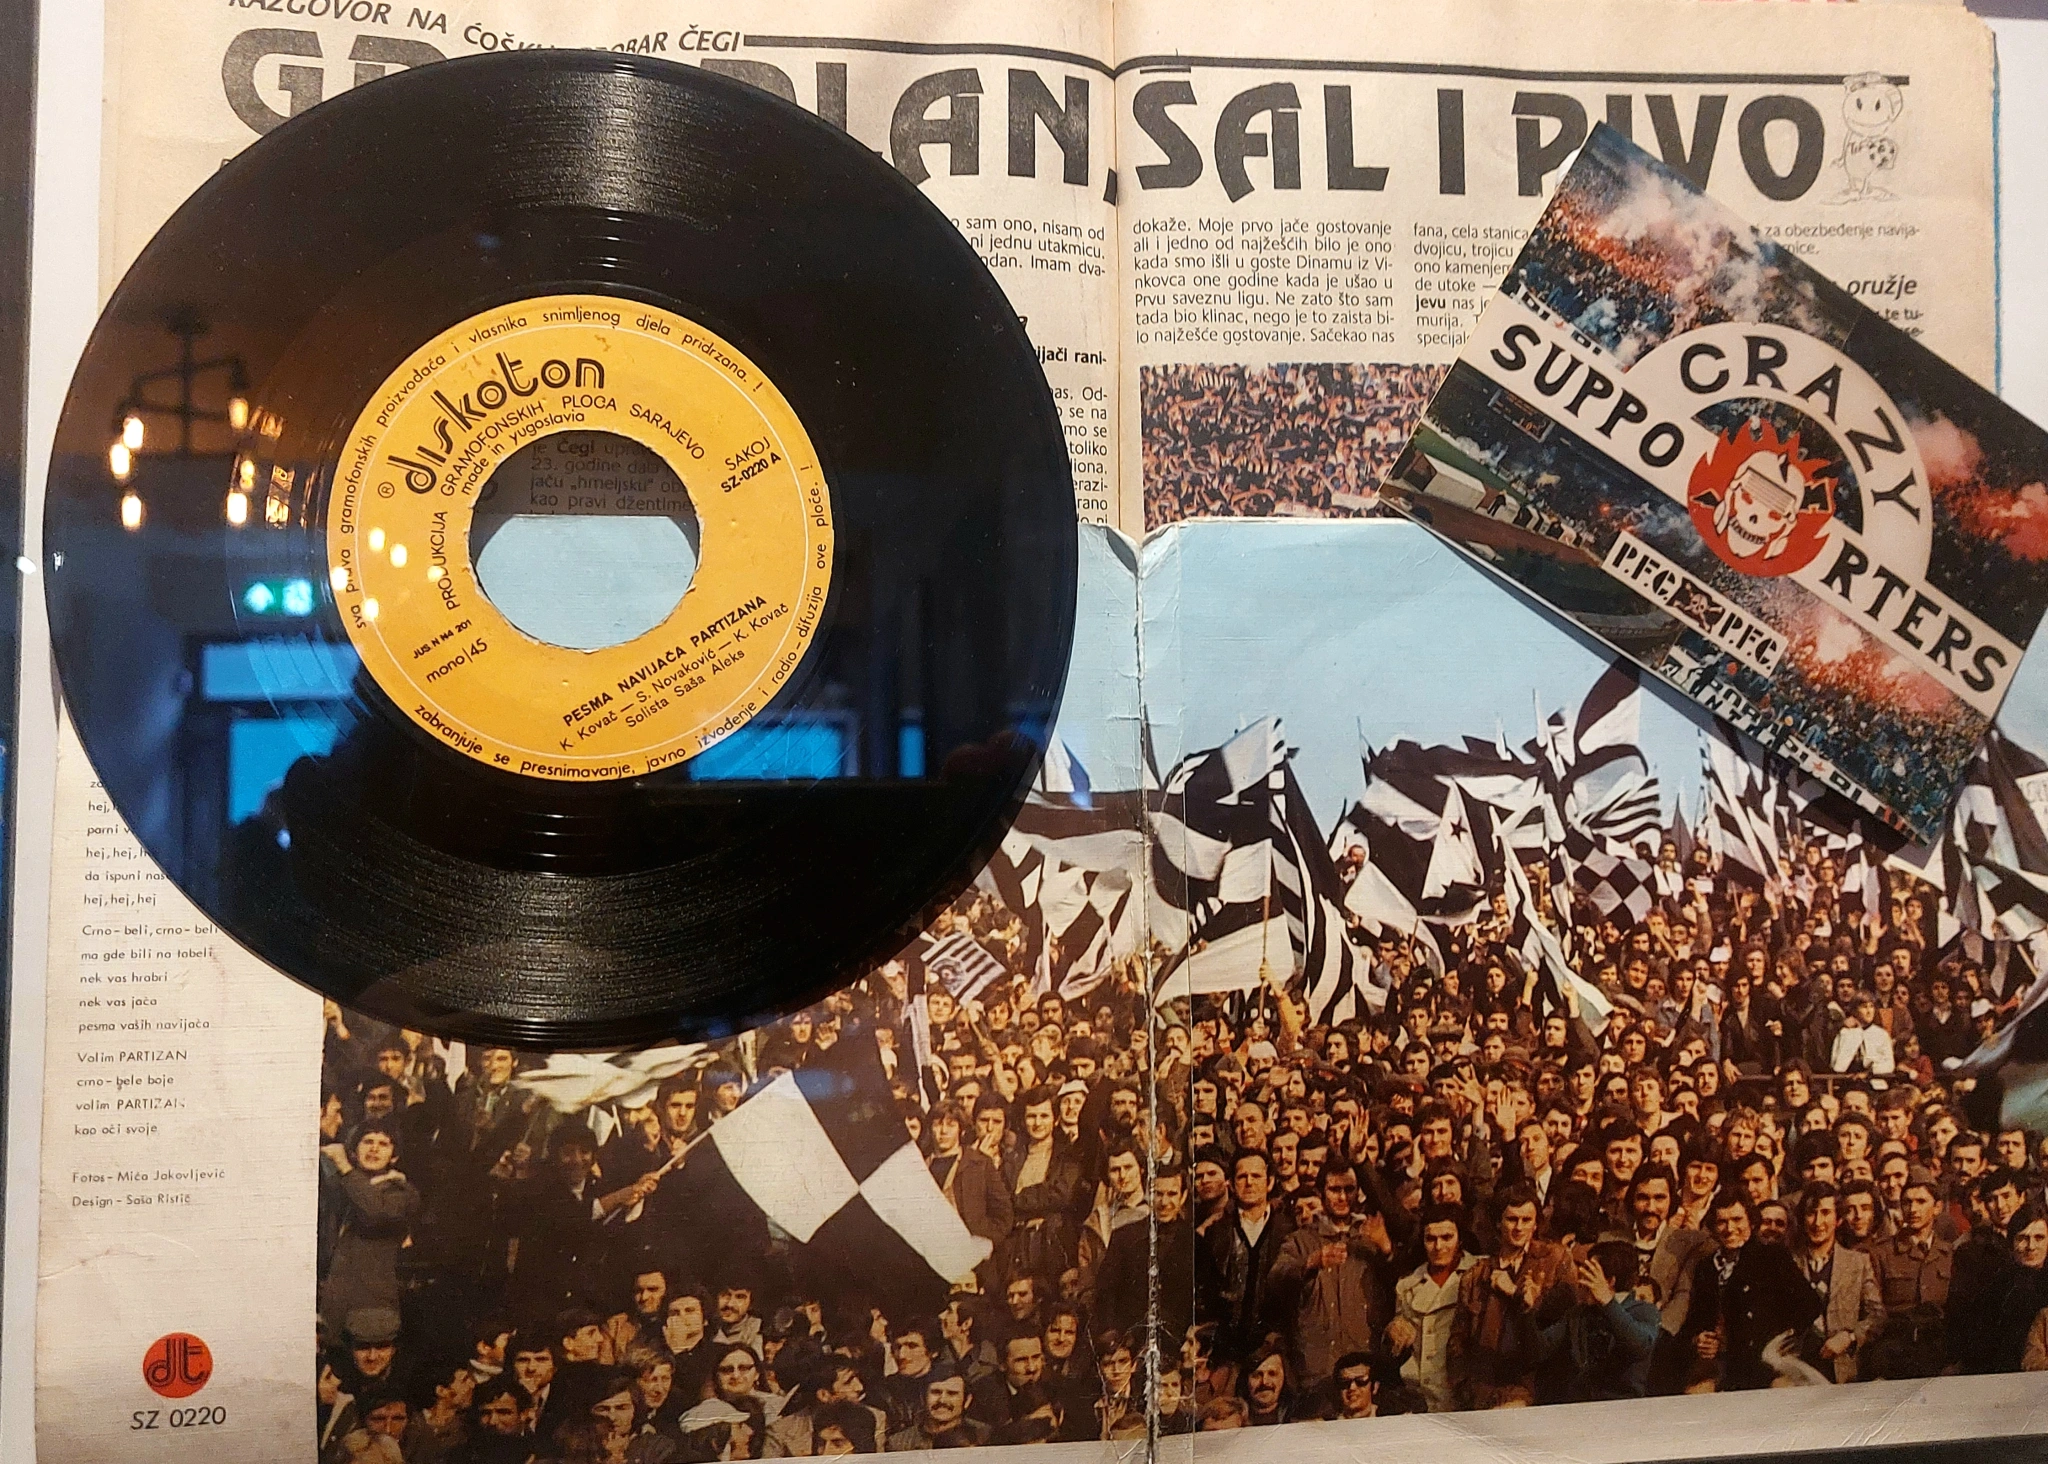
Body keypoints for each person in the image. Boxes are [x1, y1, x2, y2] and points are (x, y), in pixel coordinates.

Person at [1676, 1193, 1822, 1392]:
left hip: (1766, 1361)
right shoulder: (1707, 1266)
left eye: (1737, 1220)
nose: (1730, 1229)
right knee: (1696, 1392)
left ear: (1751, 1222)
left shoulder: (1772, 1256)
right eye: (1722, 1222)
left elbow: (1811, 1305)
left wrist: (1779, 1338)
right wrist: (1699, 1339)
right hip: (1723, 1363)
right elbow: (1696, 1319)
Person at [1270, 1163, 1397, 1390]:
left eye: (1349, 1189)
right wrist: (1311, 1262)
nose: (1342, 1197)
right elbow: (1276, 1278)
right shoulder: (1301, 1239)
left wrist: (1386, 1249)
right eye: (1335, 1190)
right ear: (1321, 1192)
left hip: (1364, 1364)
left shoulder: (1371, 1235)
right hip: (1317, 1366)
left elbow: (1397, 1288)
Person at [1451, 1184, 1574, 1407]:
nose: (1519, 1227)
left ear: (1536, 1224)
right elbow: (1458, 1340)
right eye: (1512, 1219)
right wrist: (1464, 1388)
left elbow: (1568, 1315)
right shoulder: (1475, 1276)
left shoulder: (1555, 1259)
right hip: (1484, 1389)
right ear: (1499, 1222)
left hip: (1536, 1388)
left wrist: (1517, 1294)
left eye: (1526, 1220)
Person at [1536, 1241, 1661, 1401]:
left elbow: (1640, 1345)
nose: (1581, 1281)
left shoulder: (1643, 1310)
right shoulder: (1579, 1314)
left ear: (1610, 1281)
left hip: (1623, 1406)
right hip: (1580, 1405)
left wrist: (1608, 1303)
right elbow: (1540, 1348)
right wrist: (1528, 1309)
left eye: (1590, 1273)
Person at [1791, 1185, 1885, 1382]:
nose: (1818, 1222)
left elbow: (1876, 1316)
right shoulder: (1788, 1263)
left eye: (1825, 1213)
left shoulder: (1857, 1263)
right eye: (1811, 1214)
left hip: (1844, 1371)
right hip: (1797, 1369)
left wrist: (1850, 1337)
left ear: (1838, 1219)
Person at [1388, 1204, 1475, 1412]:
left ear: (1460, 1239)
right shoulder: (1407, 1285)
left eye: (1447, 1237)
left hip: (1461, 1396)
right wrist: (1394, 1329)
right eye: (1431, 1239)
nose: (1438, 1246)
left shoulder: (1478, 1273)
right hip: (1420, 1396)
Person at [884, 1374, 988, 1450]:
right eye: (936, 1392)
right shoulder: (899, 1443)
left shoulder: (984, 1436)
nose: (942, 1400)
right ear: (923, 1397)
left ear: (967, 1400)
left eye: (952, 1393)